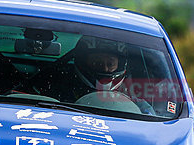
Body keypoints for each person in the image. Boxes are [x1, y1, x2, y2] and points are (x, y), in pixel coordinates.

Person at [25, 36, 156, 115]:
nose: (104, 68)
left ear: (121, 64)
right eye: (97, 63)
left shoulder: (132, 96)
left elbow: (150, 119)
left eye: (110, 63)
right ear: (83, 62)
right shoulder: (58, 86)